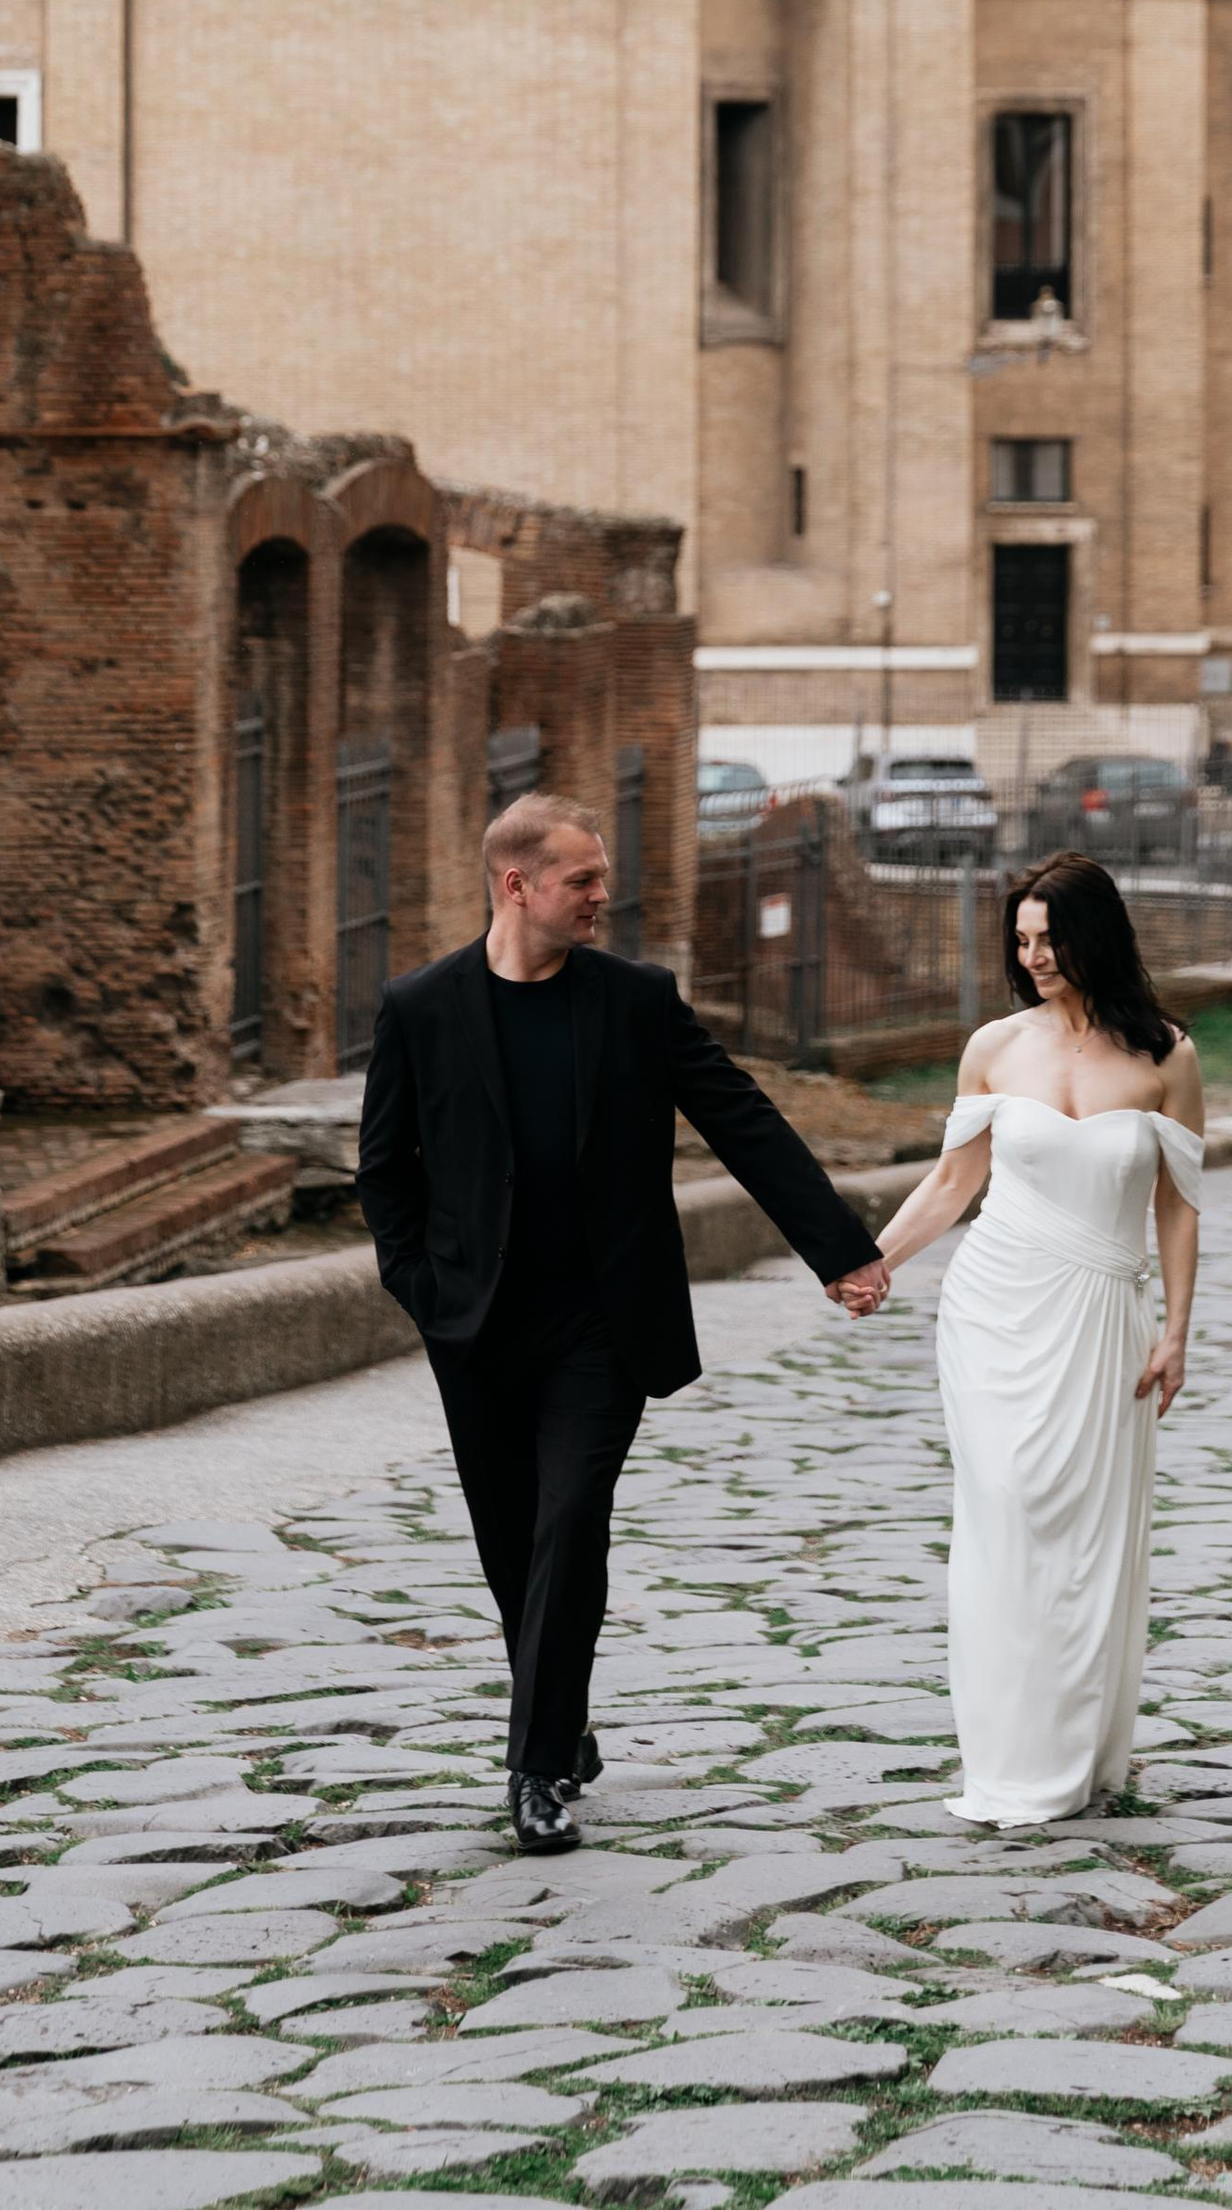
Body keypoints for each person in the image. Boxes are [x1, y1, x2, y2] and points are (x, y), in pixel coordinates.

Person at [356, 788, 889, 1856]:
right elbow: (384, 1168)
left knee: (569, 1523)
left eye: (601, 876)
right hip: (478, 1325)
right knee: (512, 1547)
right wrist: (419, 1285)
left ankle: (534, 1768)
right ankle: (565, 1720)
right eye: (584, 879)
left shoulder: (635, 1000)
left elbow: (739, 1114)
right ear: (517, 885)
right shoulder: (419, 1007)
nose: (606, 894)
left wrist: (841, 1247)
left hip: (603, 1323)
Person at [870, 850, 1203, 1827]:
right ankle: (1006, 1755)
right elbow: (951, 1183)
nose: (1034, 957)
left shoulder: (1166, 1056)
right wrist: (870, 1260)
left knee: (1088, 1538)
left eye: (1049, 938)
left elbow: (1178, 1208)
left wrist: (1176, 1330)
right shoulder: (992, 1048)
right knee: (1005, 1515)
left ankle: (1076, 1750)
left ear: (1094, 936)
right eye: (1020, 941)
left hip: (1103, 1314)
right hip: (993, 1310)